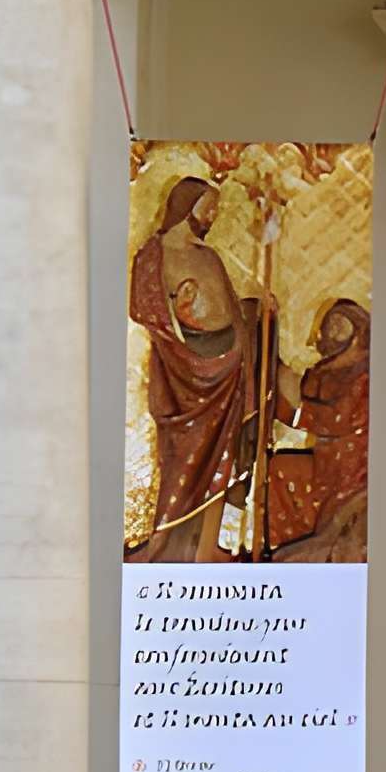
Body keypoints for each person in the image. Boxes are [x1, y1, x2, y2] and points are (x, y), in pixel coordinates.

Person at [128, 177, 261, 563]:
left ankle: (208, 551)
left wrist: (255, 309)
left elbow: (231, 309)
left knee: (225, 460)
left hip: (228, 368)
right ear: (187, 206)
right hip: (185, 373)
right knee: (184, 464)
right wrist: (178, 311)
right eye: (209, 206)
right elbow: (143, 307)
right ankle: (169, 550)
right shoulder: (153, 254)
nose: (213, 215)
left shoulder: (209, 256)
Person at [267, 300, 371, 563]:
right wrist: (270, 328)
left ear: (360, 327)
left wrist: (303, 409)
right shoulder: (321, 374)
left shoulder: (368, 372)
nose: (335, 326)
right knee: (280, 467)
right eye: (330, 322)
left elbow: (341, 417)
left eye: (342, 320)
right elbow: (294, 412)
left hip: (355, 468)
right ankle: (285, 542)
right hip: (326, 464)